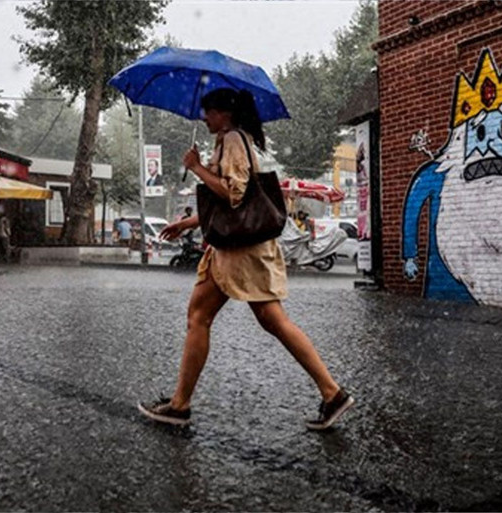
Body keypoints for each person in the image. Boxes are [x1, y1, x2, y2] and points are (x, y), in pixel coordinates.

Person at [138, 88, 354, 430]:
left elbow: (234, 195)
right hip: (234, 250)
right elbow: (228, 202)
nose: (204, 117)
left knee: (250, 319)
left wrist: (195, 168)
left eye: (209, 111)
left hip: (242, 253)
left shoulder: (235, 140)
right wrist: (189, 222)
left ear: (225, 113)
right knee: (209, 316)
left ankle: (332, 392)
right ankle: (331, 393)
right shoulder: (231, 140)